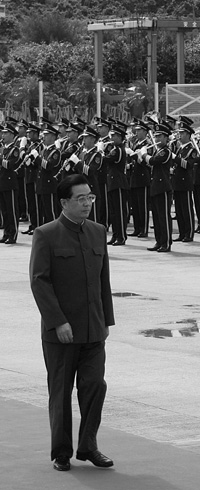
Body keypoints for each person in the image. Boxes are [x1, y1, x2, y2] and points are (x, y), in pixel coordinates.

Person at [29, 174, 115, 472]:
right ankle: (62, 452)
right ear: (64, 202)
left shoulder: (98, 231)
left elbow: (103, 280)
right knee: (61, 392)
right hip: (62, 332)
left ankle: (88, 446)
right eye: (81, 198)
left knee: (95, 387)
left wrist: (106, 321)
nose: (87, 203)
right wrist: (57, 322)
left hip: (93, 329)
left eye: (90, 197)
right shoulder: (46, 234)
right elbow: (39, 282)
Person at [141, 124, 173, 252]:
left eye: (160, 136)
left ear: (166, 138)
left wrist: (144, 155)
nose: (157, 138)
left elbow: (154, 161)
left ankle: (166, 243)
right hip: (155, 186)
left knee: (164, 216)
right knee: (156, 216)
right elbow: (151, 165)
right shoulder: (158, 150)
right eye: (156, 136)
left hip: (163, 187)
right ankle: (159, 241)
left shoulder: (166, 151)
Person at [103, 125, 129, 246]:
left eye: (114, 136)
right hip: (112, 183)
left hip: (118, 183)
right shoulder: (114, 148)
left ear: (120, 137)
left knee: (119, 211)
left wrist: (100, 152)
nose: (111, 138)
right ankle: (115, 234)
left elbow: (108, 160)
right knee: (113, 212)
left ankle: (121, 236)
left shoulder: (118, 149)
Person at [0, 124, 23, 244]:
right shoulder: (3, 148)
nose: (3, 135)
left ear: (12, 135)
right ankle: (6, 232)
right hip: (2, 183)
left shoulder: (14, 150)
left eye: (6, 133)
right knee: (4, 210)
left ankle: (13, 234)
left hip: (10, 183)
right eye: (3, 133)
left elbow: (9, 165)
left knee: (12, 210)